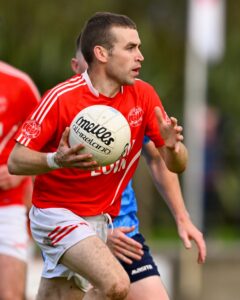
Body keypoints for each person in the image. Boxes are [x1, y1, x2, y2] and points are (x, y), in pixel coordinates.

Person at [8, 12, 189, 300]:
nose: (140, 56)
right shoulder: (61, 98)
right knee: (116, 284)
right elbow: (16, 161)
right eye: (130, 48)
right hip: (56, 215)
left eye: (139, 47)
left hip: (98, 220)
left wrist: (173, 148)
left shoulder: (144, 95)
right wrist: (57, 159)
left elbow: (175, 165)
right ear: (101, 53)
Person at [72, 38, 206, 300]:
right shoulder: (61, 105)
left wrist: (181, 216)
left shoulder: (135, 99)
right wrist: (94, 234)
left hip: (125, 233)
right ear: (76, 66)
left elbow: (159, 159)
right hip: (75, 235)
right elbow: (44, 184)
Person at [0, 60, 40, 300]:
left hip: (8, 208)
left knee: (11, 294)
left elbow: (45, 143)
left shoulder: (20, 85)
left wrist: (21, 172)